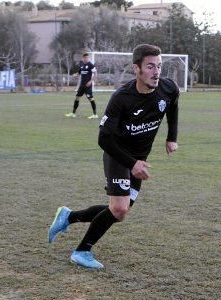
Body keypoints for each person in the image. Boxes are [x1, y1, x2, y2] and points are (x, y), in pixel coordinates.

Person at [49, 44, 180, 269]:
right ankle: (81, 251)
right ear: (136, 69)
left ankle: (68, 217)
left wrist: (171, 137)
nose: (156, 71)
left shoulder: (168, 88)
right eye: (150, 66)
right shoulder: (122, 98)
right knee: (119, 209)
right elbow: (104, 139)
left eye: (159, 66)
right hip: (117, 154)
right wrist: (132, 163)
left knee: (120, 210)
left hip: (139, 159)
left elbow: (173, 106)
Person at [65, 52, 98, 119]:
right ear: (83, 58)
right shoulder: (82, 65)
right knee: (77, 98)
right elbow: (79, 73)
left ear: (88, 58)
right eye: (84, 58)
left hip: (88, 86)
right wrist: (75, 75)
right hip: (82, 86)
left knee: (91, 99)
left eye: (87, 57)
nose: (85, 59)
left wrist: (90, 81)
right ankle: (73, 113)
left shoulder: (91, 65)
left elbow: (96, 74)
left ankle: (95, 115)